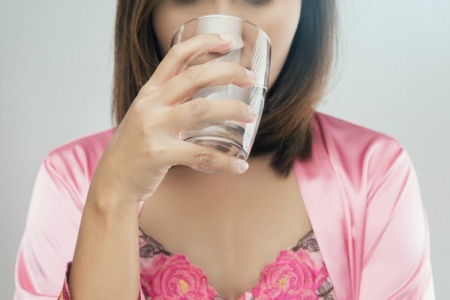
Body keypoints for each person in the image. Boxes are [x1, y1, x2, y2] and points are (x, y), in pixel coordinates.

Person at [14, 0, 435, 299]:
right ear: (145, 11)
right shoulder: (71, 180)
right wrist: (113, 195)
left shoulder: (374, 173)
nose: (224, 39)